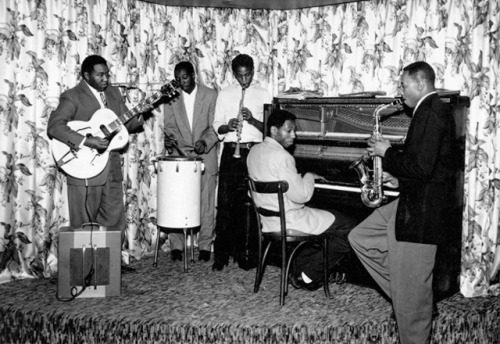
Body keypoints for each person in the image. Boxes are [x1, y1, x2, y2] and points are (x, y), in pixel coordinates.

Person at [348, 61, 458, 344]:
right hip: (413, 199)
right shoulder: (428, 111)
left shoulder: (433, 111)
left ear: (420, 84)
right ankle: (411, 294)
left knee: (411, 304)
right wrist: (398, 180)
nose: (401, 91)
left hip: (421, 213)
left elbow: (422, 167)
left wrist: (386, 152)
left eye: (404, 85)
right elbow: (431, 167)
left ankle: (413, 304)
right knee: (360, 237)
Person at [47, 55, 151, 273]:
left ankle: (111, 266)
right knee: (83, 221)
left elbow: (126, 124)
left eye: (107, 74)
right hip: (83, 167)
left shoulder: (113, 93)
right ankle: (85, 270)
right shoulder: (73, 96)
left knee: (115, 218)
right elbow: (55, 127)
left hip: (111, 166)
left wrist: (141, 113)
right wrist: (87, 140)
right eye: (100, 74)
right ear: (87, 75)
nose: (105, 78)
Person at [247, 109, 357, 290]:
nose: (294, 135)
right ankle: (309, 274)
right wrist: (309, 176)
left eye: (294, 131)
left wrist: (296, 178)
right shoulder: (283, 156)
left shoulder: (254, 151)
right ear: (274, 131)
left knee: (326, 217)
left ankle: (304, 267)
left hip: (269, 221)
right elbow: (302, 196)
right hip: (290, 220)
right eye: (289, 130)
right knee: (350, 227)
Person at [211, 53, 273, 271]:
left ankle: (247, 253)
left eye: (247, 75)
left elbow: (269, 128)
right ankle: (221, 255)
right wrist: (227, 126)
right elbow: (216, 125)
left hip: (253, 151)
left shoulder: (263, 93)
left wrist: (253, 120)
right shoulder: (225, 94)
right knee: (226, 202)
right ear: (233, 74)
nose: (244, 80)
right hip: (230, 151)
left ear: (253, 72)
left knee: (251, 203)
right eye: (239, 76)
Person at [163, 61, 219, 262]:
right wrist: (176, 146)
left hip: (205, 155)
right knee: (178, 202)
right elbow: (169, 127)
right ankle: (176, 245)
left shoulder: (211, 95)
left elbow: (215, 126)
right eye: (177, 79)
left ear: (194, 75)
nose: (181, 82)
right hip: (180, 156)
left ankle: (205, 245)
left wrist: (205, 142)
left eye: (184, 78)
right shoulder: (170, 98)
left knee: (205, 204)